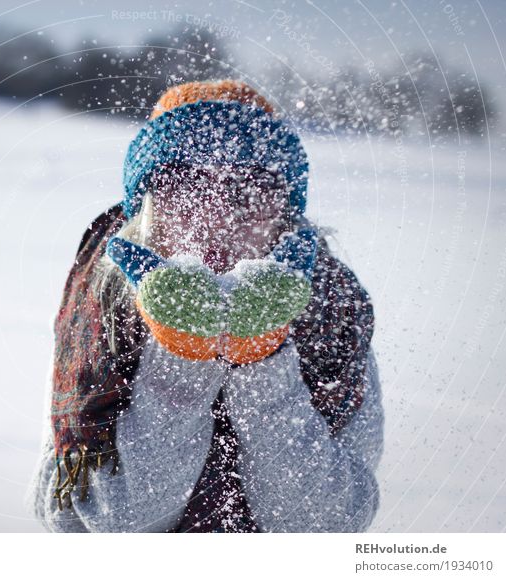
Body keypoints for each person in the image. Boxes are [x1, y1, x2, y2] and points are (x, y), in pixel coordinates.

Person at [25, 80, 384, 533]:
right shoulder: (102, 311)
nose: (216, 219)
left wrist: (264, 364)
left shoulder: (331, 315)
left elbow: (327, 525)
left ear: (286, 217)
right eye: (185, 188)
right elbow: (84, 522)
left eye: (244, 193)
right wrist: (181, 357)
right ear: (146, 210)